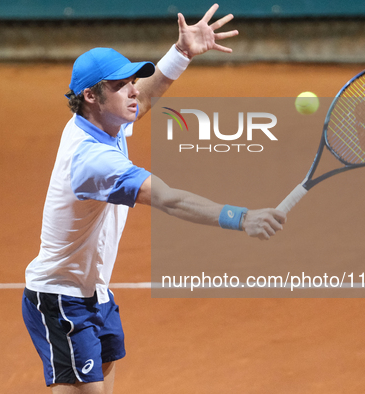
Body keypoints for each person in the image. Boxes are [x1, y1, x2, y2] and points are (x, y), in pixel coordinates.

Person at [22, 4, 287, 393]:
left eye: (132, 80)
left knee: (107, 364)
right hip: (61, 298)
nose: (132, 90)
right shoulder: (92, 160)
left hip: (94, 291)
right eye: (120, 85)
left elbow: (142, 101)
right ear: (91, 96)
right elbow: (169, 199)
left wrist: (181, 53)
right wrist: (241, 218)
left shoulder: (97, 124)